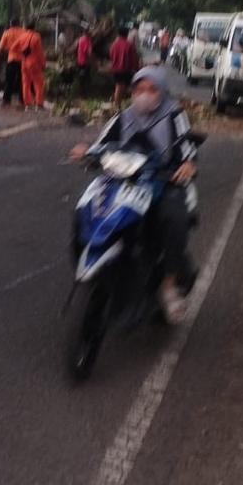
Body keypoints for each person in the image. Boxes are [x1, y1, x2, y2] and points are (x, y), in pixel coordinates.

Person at [71, 65, 199, 322]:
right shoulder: (123, 116)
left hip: (164, 179)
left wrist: (188, 164)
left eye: (152, 89)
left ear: (162, 92)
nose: (144, 94)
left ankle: (169, 284)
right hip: (124, 178)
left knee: (173, 219)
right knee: (87, 207)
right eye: (139, 89)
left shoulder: (174, 114)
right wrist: (86, 151)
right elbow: (101, 144)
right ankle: (93, 260)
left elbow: (187, 149)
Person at [0, 18, 26, 107]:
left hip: (11, 59)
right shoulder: (24, 33)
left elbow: (0, 48)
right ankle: (22, 100)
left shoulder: (6, 33)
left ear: (11, 24)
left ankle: (6, 100)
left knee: (9, 80)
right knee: (21, 80)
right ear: (19, 23)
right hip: (23, 60)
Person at [109, 26, 140, 110]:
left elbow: (111, 56)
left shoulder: (113, 44)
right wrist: (136, 68)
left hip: (115, 69)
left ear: (118, 34)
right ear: (127, 34)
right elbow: (133, 58)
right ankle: (122, 105)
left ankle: (117, 105)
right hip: (126, 69)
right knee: (127, 87)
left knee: (118, 86)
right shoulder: (129, 45)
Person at [21, 20, 46, 110]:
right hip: (34, 63)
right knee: (38, 84)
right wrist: (43, 63)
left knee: (25, 84)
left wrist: (21, 54)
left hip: (24, 63)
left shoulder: (22, 36)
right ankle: (39, 104)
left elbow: (14, 47)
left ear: (26, 28)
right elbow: (40, 52)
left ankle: (27, 104)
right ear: (34, 27)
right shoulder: (36, 37)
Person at [75, 27, 94, 97]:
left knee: (81, 77)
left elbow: (76, 49)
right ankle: (85, 93)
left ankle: (80, 92)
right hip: (85, 62)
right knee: (86, 77)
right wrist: (93, 60)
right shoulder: (87, 40)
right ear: (87, 32)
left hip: (79, 61)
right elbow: (89, 52)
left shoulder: (80, 39)